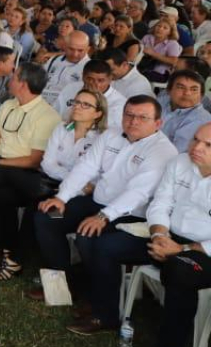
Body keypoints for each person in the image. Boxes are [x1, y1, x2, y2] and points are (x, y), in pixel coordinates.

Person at [31, 95, 178, 332]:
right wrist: (62, 197)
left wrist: (104, 216)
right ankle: (64, 284)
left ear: (158, 123)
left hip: (130, 214)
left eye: (142, 117)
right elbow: (86, 167)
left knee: (88, 236)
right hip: (96, 202)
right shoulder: (112, 134)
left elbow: (138, 193)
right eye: (129, 115)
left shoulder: (162, 151)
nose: (133, 121)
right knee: (49, 218)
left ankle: (104, 311)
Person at [0, 86, 108, 280]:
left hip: (75, 196)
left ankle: (16, 259)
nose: (78, 107)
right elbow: (47, 164)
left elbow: (93, 179)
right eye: (76, 102)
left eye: (85, 105)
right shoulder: (62, 129)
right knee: (4, 195)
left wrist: (72, 183)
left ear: (98, 113)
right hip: (48, 183)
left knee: (39, 208)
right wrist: (73, 178)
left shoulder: (102, 139)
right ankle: (8, 248)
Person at [138, 122, 211, 347]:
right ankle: (102, 314)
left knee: (179, 270)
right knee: (108, 244)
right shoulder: (180, 162)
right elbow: (161, 203)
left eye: (208, 145)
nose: (197, 148)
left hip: (204, 251)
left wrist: (181, 250)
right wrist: (159, 234)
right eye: (195, 139)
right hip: (168, 237)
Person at [159, 70, 211, 153]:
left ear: (201, 96)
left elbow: (174, 153)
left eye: (194, 89)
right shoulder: (162, 101)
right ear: (169, 90)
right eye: (181, 87)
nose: (187, 93)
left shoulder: (200, 120)